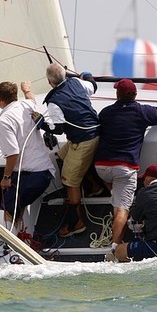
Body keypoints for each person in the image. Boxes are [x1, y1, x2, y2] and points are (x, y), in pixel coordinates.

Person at [95, 79, 157, 254]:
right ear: (135, 95)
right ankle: (115, 249)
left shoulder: (105, 113)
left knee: (113, 184)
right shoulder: (141, 112)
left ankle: (114, 195)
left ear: (117, 94)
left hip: (101, 168)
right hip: (124, 169)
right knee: (121, 210)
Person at [39, 62, 100, 237]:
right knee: (61, 156)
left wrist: (41, 123)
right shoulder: (77, 83)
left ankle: (77, 223)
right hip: (94, 133)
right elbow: (93, 85)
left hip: (83, 142)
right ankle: (95, 186)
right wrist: (86, 74)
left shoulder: (53, 102)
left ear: (50, 82)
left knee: (69, 181)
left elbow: (58, 129)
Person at [0, 81, 56, 229]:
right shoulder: (26, 106)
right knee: (17, 203)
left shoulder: (4, 121)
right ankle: (22, 233)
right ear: (15, 95)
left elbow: (13, 154)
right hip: (46, 172)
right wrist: (27, 90)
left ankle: (13, 243)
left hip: (33, 177)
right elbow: (32, 99)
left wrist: (6, 178)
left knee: (7, 208)